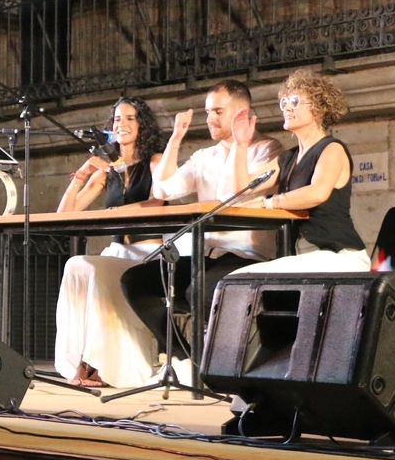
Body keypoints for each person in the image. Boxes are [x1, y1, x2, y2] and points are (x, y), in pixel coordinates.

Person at [120, 80, 283, 366]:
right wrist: (175, 140)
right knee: (135, 281)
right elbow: (163, 190)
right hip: (206, 255)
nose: (210, 119)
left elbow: (234, 193)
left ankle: (224, 367)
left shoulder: (267, 149)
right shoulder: (204, 156)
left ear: (241, 113)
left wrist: (240, 145)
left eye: (218, 112)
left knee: (198, 291)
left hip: (247, 256)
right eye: (207, 112)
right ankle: (186, 359)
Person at [53, 97, 166, 388]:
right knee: (76, 265)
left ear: (142, 125)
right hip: (117, 252)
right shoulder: (107, 172)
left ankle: (103, 366)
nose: (121, 124)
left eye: (129, 118)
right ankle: (84, 360)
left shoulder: (154, 162)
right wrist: (80, 177)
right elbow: (64, 214)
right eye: (117, 119)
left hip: (147, 253)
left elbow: (156, 202)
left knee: (93, 269)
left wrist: (114, 211)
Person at [229, 70, 368, 273]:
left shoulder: (332, 148)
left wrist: (267, 203)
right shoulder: (288, 158)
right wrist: (240, 145)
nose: (287, 107)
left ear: (319, 109)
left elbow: (317, 193)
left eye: (294, 101)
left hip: (340, 255)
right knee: (239, 280)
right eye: (284, 102)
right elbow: (242, 188)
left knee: (242, 277)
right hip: (308, 257)